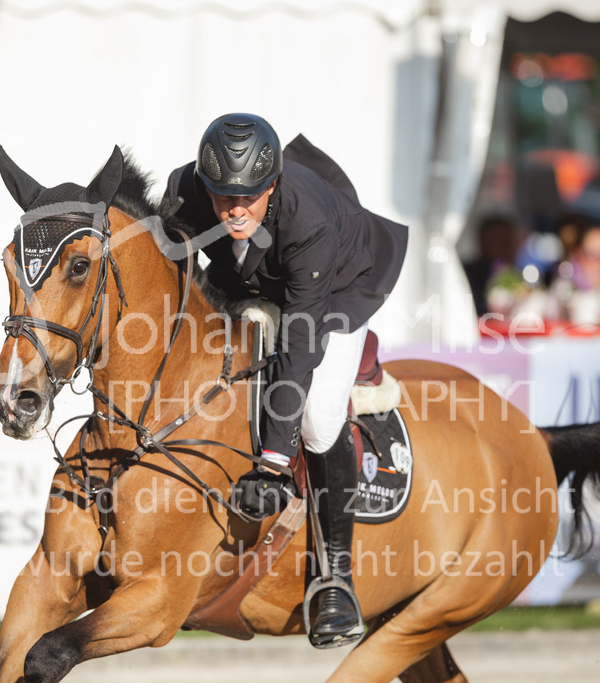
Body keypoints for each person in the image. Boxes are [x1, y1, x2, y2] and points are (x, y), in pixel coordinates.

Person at [163, 113, 408, 647]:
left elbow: (301, 344)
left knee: (318, 419)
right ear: (203, 184)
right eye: (222, 196)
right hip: (257, 274)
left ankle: (336, 580)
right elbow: (173, 277)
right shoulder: (182, 192)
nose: (234, 209)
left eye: (248, 196)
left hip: (340, 283)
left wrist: (273, 464)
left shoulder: (309, 219)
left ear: (271, 183)